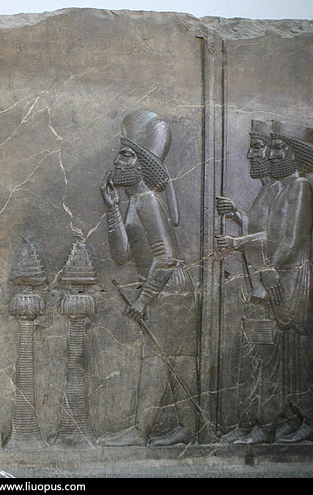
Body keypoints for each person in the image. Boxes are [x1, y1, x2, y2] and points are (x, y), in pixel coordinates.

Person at [99, 110, 198, 446]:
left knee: (161, 360)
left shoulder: (148, 202)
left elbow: (167, 260)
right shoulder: (133, 203)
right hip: (161, 287)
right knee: (173, 360)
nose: (117, 161)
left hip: (168, 288)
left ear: (142, 165)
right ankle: (185, 427)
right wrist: (112, 207)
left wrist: (143, 300)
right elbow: (121, 255)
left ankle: (142, 432)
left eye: (126, 155)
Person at [216, 120, 283, 444]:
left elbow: (274, 237)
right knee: (252, 359)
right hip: (257, 289)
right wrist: (237, 214)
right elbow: (259, 229)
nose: (250, 155)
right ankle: (249, 423)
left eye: (257, 147)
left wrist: (235, 242)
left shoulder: (281, 191)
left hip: (267, 290)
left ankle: (264, 426)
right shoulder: (267, 192)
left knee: (263, 362)